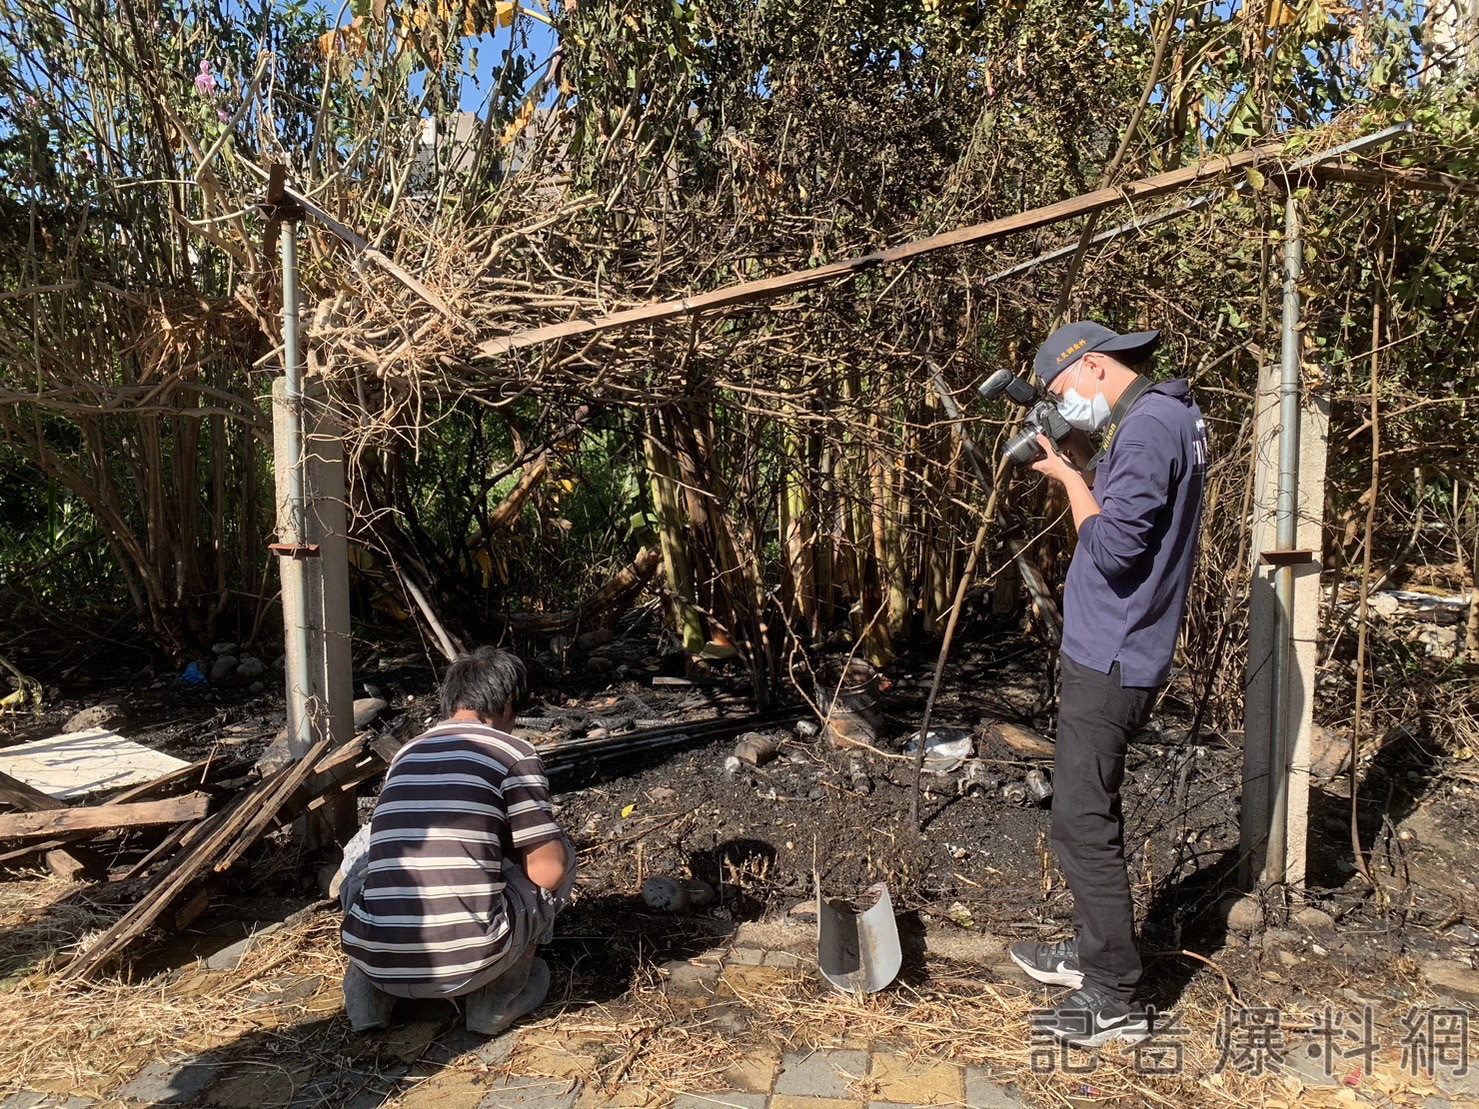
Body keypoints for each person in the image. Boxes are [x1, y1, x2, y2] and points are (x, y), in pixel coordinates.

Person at [1006, 321, 1208, 1047]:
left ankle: (1113, 995)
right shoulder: (1170, 413)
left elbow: (1117, 547)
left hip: (1113, 653)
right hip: (1123, 644)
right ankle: (1095, 955)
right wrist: (1088, 460)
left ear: (1092, 366)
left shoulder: (1149, 428)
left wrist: (1067, 478)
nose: (1065, 404)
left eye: (1063, 390)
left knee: (1081, 822)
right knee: (1089, 811)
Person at [338, 646, 575, 1034]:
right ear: (509, 702)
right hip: (467, 964)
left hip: (374, 955)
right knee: (557, 848)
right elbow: (548, 873)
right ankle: (497, 999)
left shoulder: (408, 752)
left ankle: (368, 997)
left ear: (453, 700)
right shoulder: (512, 752)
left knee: (364, 849)